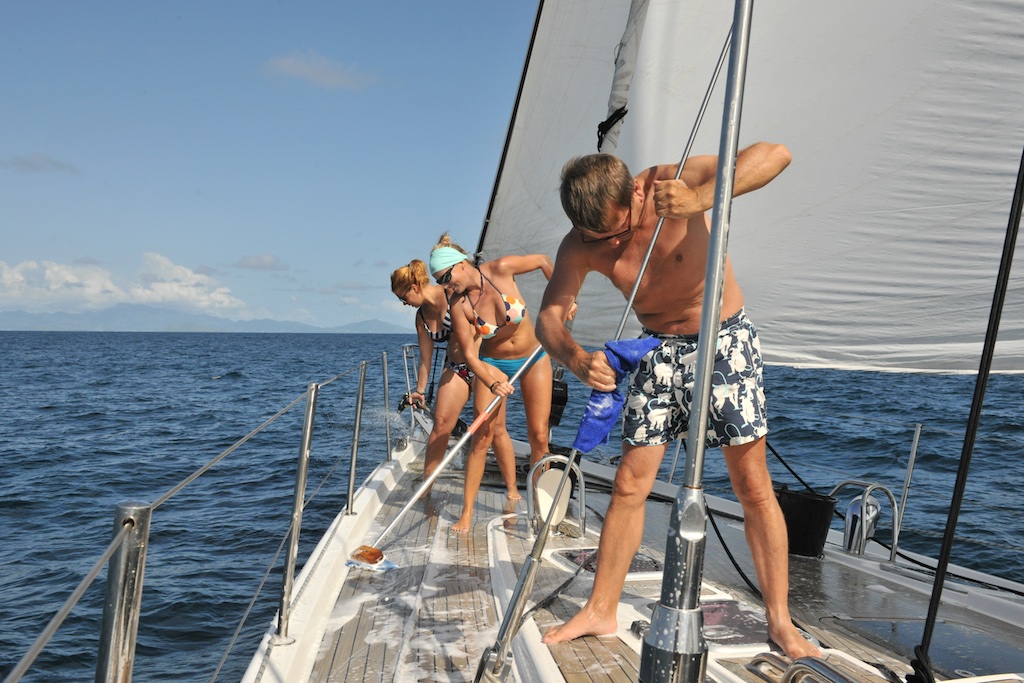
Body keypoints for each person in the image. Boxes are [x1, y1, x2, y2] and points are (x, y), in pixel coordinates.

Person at [535, 142, 821, 659]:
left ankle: (781, 622)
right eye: (596, 238)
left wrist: (701, 198)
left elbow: (776, 154)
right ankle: (601, 608)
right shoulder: (581, 242)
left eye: (617, 231)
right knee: (628, 483)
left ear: (635, 192)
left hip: (723, 340)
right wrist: (576, 359)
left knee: (751, 485)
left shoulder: (673, 179)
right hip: (657, 351)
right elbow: (549, 318)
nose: (610, 245)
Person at [429, 232, 555, 534]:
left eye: (445, 277)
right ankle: (467, 513)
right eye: (439, 282)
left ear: (461, 264)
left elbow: (543, 261)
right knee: (481, 437)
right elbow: (470, 356)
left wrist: (564, 301)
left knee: (539, 436)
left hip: (534, 357)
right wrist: (490, 381)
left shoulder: (501, 269)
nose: (445, 286)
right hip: (492, 363)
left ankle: (541, 508)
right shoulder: (458, 304)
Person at [391, 259, 476, 490]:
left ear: (414, 287)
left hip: (484, 363)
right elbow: (425, 359)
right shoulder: (421, 317)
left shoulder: (451, 292)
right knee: (440, 424)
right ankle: (426, 486)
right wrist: (419, 391)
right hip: (456, 367)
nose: (404, 303)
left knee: (493, 431)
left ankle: (513, 490)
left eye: (403, 297)